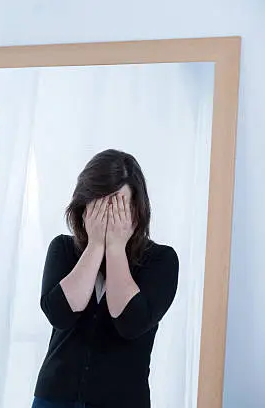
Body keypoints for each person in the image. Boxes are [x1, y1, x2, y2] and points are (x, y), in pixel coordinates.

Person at [32, 149, 179, 408]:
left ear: (136, 210)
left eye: (119, 206)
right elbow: (60, 313)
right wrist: (95, 246)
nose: (109, 216)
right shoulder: (63, 249)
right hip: (55, 397)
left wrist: (115, 249)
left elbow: (130, 322)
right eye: (100, 206)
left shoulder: (161, 260)